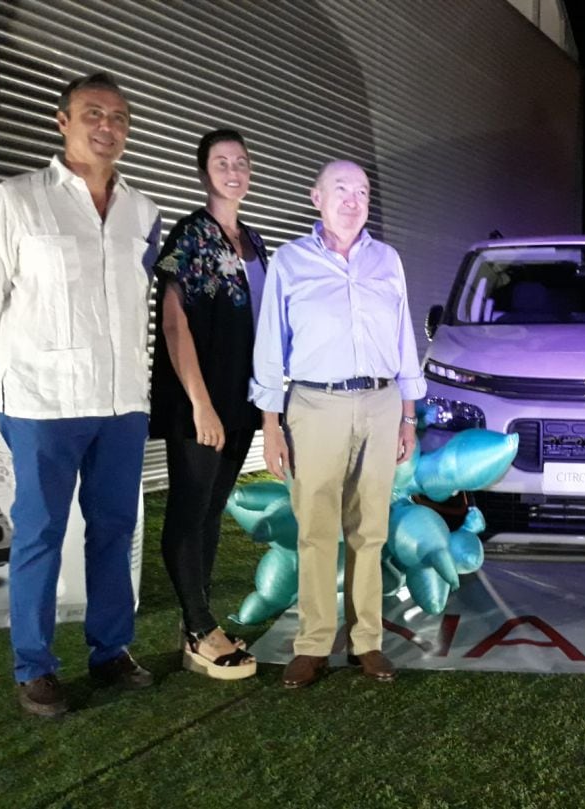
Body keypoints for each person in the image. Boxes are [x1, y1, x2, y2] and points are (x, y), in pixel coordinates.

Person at [0, 72, 161, 717]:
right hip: (42, 401)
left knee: (113, 529)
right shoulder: (15, 201)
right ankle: (35, 666)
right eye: (92, 113)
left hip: (122, 404)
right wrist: (24, 360)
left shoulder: (143, 212)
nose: (106, 126)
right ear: (63, 122)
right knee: (39, 532)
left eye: (118, 116)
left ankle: (110, 651)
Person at [250, 159, 426, 688]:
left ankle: (366, 642)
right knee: (316, 531)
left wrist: (408, 415)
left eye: (363, 192)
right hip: (314, 405)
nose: (353, 200)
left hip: (380, 403)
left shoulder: (387, 260)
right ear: (316, 198)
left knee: (370, 531)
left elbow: (403, 341)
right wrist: (271, 424)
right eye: (341, 190)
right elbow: (269, 345)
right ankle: (313, 644)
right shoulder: (289, 261)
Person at [150, 129, 267, 680]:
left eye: (240, 162)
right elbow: (174, 323)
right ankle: (199, 629)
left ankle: (199, 621)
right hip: (200, 403)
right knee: (190, 508)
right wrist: (199, 402)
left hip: (240, 403)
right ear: (204, 173)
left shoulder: (253, 240)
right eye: (222, 162)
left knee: (213, 510)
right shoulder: (191, 235)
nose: (233, 170)